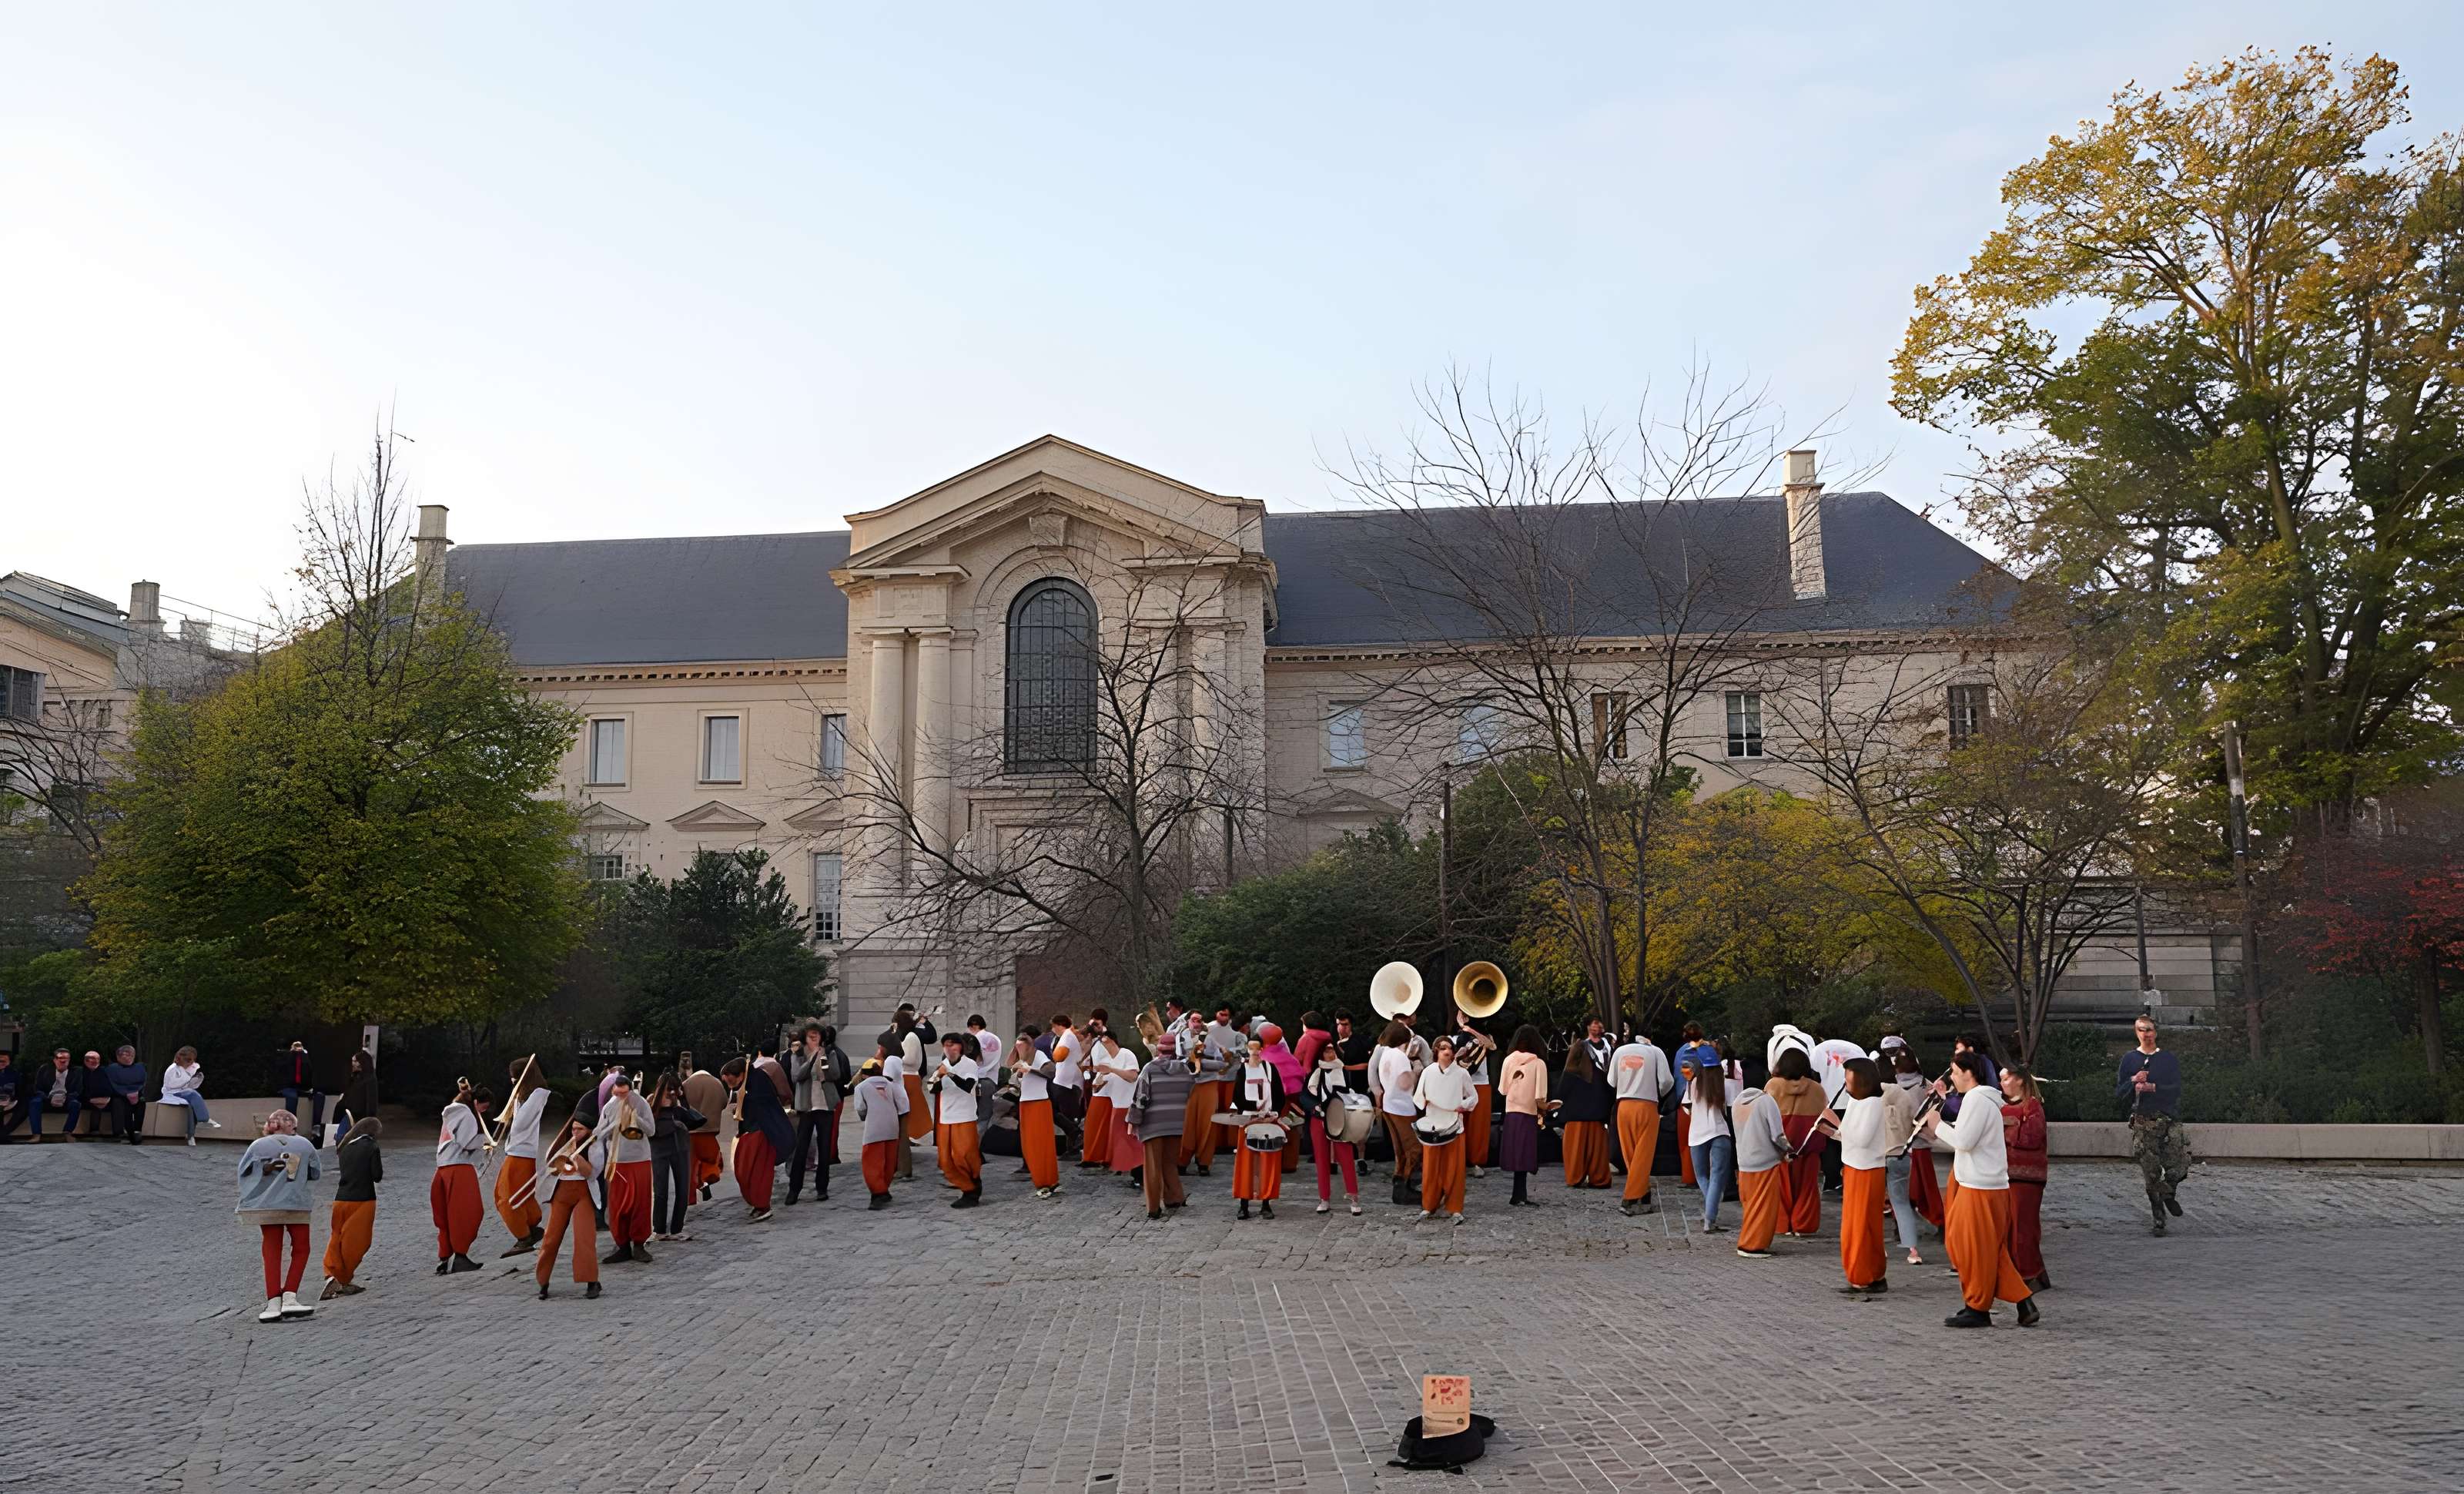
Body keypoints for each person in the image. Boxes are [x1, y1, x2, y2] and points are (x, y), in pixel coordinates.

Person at [1921, 1051, 2040, 1328]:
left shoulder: (1976, 1099)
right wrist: (1936, 1133)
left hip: (1981, 1187)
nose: (1952, 1077)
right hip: (1986, 1185)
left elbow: (1964, 1141)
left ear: (1968, 1073)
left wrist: (1937, 1125)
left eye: (1954, 1071)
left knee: (1969, 1248)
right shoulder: (1983, 1100)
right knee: (1987, 1249)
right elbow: (1968, 1140)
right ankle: (2021, 1300)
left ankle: (1977, 1307)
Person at [236, 1110, 322, 1323]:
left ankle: (273, 1302)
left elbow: (243, 1171)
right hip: (296, 1203)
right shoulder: (305, 1144)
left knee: (272, 1249)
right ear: (292, 1126)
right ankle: (290, 1296)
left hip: (266, 1204)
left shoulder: (257, 1146)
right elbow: (316, 1173)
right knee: (301, 1248)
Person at [2118, 1013, 2189, 1234]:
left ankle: (2168, 1193)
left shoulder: (2167, 1059)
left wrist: (2154, 1088)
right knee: (2151, 1173)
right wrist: (2133, 1082)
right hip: (2143, 1122)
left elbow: (2177, 1089)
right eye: (2141, 1030)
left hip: (2168, 1120)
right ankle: (2159, 1217)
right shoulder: (2129, 1059)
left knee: (2180, 1165)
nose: (2145, 1034)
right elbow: (2119, 1093)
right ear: (2136, 1033)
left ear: (2155, 1032)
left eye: (2149, 1029)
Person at [1833, 1057, 1890, 1295]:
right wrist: (1832, 1130)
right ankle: (1869, 1273)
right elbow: (1848, 1135)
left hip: (1867, 1169)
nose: (1846, 1083)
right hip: (1854, 1166)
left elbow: (1862, 1139)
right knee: (1856, 1225)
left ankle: (1864, 1275)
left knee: (1862, 1226)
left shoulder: (1873, 1104)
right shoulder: (1856, 1101)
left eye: (1850, 1078)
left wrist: (1836, 1123)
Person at [533, 1117, 604, 1300]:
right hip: (561, 1193)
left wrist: (577, 1158)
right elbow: (551, 1167)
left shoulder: (594, 1146)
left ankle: (591, 1281)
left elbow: (592, 1174)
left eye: (580, 1129)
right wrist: (563, 1157)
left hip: (583, 1193)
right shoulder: (563, 1143)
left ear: (588, 1131)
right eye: (573, 1129)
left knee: (584, 1237)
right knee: (551, 1237)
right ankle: (543, 1282)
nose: (575, 1132)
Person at [1127, 1032, 1194, 1220]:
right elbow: (1190, 1093)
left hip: (1153, 1125)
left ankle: (1154, 1208)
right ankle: (1175, 1198)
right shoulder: (1185, 1070)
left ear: (1159, 1049)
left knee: (1152, 1166)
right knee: (1170, 1162)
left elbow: (1141, 1098)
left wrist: (1133, 1121)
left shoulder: (1150, 1068)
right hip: (1177, 1123)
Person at [1413, 1035, 1478, 1224]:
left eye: (1449, 1048)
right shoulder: (1428, 1072)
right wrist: (1424, 1101)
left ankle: (1455, 1208)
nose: (1447, 1051)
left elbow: (1473, 1097)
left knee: (1454, 1169)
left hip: (1454, 1126)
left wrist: (1462, 1106)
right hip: (1432, 1126)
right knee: (1430, 1169)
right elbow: (1418, 1096)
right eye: (1442, 1048)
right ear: (1436, 1051)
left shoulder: (1462, 1073)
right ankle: (1428, 1206)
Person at [1764, 1047, 1828, 1236]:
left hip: (1780, 1146)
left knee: (1780, 1187)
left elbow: (1764, 1115)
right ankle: (1803, 1225)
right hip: (1808, 1146)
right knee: (1807, 1187)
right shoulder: (1817, 1089)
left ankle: (1781, 1224)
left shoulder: (1772, 1086)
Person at [320, 1116, 383, 1299]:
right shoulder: (372, 1147)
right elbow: (377, 1175)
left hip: (340, 1199)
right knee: (357, 1242)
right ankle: (340, 1279)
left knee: (336, 1238)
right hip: (362, 1199)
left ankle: (331, 1274)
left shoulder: (345, 1147)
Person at [432, 1080, 491, 1275]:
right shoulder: (466, 1114)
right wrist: (484, 1141)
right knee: (468, 1212)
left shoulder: (454, 1111)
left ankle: (445, 1258)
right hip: (459, 1167)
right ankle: (460, 1256)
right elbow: (467, 1142)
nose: (483, 1111)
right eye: (484, 1107)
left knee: (445, 1215)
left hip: (443, 1167)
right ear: (477, 1102)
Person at [1608, 1030, 1670, 1214]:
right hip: (1647, 1104)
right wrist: (1659, 1093)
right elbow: (1666, 1081)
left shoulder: (1620, 1051)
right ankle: (1631, 1197)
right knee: (1643, 1153)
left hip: (1624, 1105)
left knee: (1630, 1153)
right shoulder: (1656, 1051)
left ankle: (1644, 1192)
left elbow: (1611, 1081)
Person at [1227, 1033, 1287, 1220]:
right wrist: (1254, 1108)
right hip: (1248, 1121)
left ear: (1262, 1049)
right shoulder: (1243, 1070)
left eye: (1256, 1048)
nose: (1254, 1051)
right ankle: (1244, 1204)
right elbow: (1237, 1097)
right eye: (1250, 1048)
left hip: (1268, 1120)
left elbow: (1279, 1094)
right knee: (1246, 1164)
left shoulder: (1270, 1068)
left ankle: (1266, 1203)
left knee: (1268, 1163)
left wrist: (1272, 1113)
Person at [493, 1060, 551, 1256]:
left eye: (514, 1077)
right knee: (510, 1195)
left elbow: (520, 1125)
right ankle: (531, 1226)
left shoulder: (536, 1095)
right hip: (517, 1152)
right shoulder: (528, 1095)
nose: (512, 1081)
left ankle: (524, 1236)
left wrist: (516, 1100)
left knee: (507, 1199)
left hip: (521, 1153)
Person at [728, 1052, 794, 1221]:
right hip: (749, 1133)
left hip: (763, 1133)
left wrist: (745, 1102)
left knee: (759, 1173)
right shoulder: (749, 1084)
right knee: (743, 1171)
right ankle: (757, 1204)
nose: (731, 1085)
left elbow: (764, 1106)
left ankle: (763, 1206)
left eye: (732, 1080)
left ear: (741, 1074)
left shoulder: (759, 1082)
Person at [2000, 1067, 2051, 1289]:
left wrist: (2006, 1128)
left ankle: (2029, 1273)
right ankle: (2033, 1272)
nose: (2002, 1083)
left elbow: (2032, 1137)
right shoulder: (2001, 1106)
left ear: (2020, 1081)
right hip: (2006, 1176)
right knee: (2013, 1227)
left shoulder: (2033, 1106)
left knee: (2024, 1227)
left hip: (2027, 1178)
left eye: (2006, 1079)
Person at [599, 1072, 657, 1265]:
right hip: (617, 1161)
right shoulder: (609, 1106)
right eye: (617, 1093)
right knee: (617, 1205)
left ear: (630, 1091)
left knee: (640, 1204)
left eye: (624, 1094)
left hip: (639, 1160)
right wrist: (614, 1125)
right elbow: (599, 1133)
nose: (620, 1097)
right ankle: (622, 1246)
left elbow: (651, 1130)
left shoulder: (641, 1103)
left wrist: (635, 1117)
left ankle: (639, 1245)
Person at [1301, 1037, 1362, 1215]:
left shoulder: (1343, 1071)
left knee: (1347, 1158)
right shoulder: (1316, 1073)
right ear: (1321, 1054)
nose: (1331, 1053)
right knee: (1321, 1160)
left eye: (1332, 1050)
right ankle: (1324, 1199)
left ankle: (1354, 1198)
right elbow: (1305, 1096)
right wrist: (1315, 1107)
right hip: (1319, 1119)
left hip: (1339, 1119)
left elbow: (1351, 1093)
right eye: (1327, 1050)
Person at [1729, 1080, 1789, 1258]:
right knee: (1764, 1208)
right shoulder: (1766, 1101)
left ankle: (1749, 1242)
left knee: (1750, 1206)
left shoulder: (1738, 1102)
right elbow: (1777, 1135)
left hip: (1744, 1161)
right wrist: (1788, 1151)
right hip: (1765, 1162)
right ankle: (1752, 1245)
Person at [1498, 1026, 1557, 1207]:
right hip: (1528, 1112)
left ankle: (1518, 1195)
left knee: (1515, 1153)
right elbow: (1540, 1096)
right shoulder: (1538, 1063)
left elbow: (1502, 1090)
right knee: (1525, 1153)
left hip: (1511, 1112)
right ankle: (1519, 1194)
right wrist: (1547, 1107)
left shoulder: (1508, 1060)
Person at [785, 1023, 844, 1207]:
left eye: (817, 1035)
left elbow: (836, 1074)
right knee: (801, 1148)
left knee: (824, 1148)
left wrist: (824, 1064)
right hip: (806, 1107)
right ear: (805, 1037)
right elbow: (797, 1076)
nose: (814, 1038)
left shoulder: (829, 1052)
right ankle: (794, 1189)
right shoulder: (799, 1054)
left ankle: (822, 1188)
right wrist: (811, 1060)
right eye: (811, 1035)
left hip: (825, 1105)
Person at [1682, 1051, 1740, 1233]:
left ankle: (1711, 1209)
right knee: (1716, 1177)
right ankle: (1710, 1219)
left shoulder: (1692, 1084)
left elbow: (1686, 1107)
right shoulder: (1724, 1083)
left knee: (1702, 1176)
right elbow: (1733, 1106)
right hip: (1720, 1131)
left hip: (1697, 1134)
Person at [646, 1070, 705, 1241]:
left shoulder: (677, 1104)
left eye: (675, 1088)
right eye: (669, 1088)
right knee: (661, 1189)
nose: (671, 1092)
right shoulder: (651, 1103)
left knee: (682, 1187)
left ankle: (676, 1229)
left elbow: (695, 1120)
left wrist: (682, 1100)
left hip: (679, 1146)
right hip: (661, 1147)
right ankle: (659, 1229)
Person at [1893, 1047, 1946, 1232]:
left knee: (1901, 1187)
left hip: (1900, 1144)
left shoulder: (1893, 1087)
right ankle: (1938, 1220)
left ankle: (1901, 1224)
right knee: (1928, 1188)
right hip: (1920, 1143)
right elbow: (1936, 1110)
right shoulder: (1926, 1085)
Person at [1880, 1057, 1926, 1267]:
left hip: (1876, 1158)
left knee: (1873, 1205)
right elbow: (1916, 1123)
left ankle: (1878, 1247)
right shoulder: (1906, 1096)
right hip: (1901, 1154)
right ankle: (1913, 1251)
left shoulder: (1871, 1096)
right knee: (1901, 1204)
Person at [931, 1032, 985, 1209]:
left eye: (953, 1045)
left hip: (964, 1116)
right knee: (946, 1160)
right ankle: (967, 1187)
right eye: (946, 1045)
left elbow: (968, 1086)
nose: (949, 1049)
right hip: (946, 1117)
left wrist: (950, 1074)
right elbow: (932, 1088)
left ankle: (972, 1189)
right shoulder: (943, 1065)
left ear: (961, 1047)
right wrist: (939, 1077)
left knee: (964, 1156)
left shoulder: (969, 1064)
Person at [1180, 1004, 1234, 1174]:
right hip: (1187, 1086)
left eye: (1200, 1021)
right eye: (1194, 1020)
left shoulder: (1210, 1039)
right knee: (1186, 1125)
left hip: (1209, 1085)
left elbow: (1223, 1063)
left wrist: (1201, 1063)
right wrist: (1191, 1063)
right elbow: (1178, 1060)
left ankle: (1204, 1162)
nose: (1197, 1024)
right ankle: (1182, 1161)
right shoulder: (1180, 1038)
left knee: (1207, 1124)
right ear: (1188, 1022)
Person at [851, 1057, 909, 1209]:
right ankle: (885, 1188)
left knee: (872, 1162)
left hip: (874, 1128)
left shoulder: (861, 1087)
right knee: (889, 1161)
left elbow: (861, 1108)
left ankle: (878, 1193)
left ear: (864, 1074)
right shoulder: (890, 1085)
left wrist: (865, 1117)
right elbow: (901, 1104)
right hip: (892, 1127)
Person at [1010, 1032, 1063, 1199]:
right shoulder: (1020, 1060)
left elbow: (1051, 1071)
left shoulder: (1038, 1055)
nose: (1020, 1048)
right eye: (1017, 1045)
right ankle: (1044, 1180)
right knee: (1029, 1145)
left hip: (1039, 1103)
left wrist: (1030, 1070)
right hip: (1025, 1103)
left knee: (1041, 1144)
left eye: (1022, 1045)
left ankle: (1046, 1182)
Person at [1373, 1021, 1423, 1192]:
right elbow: (1405, 1083)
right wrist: (1416, 1071)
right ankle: (1406, 1184)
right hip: (1402, 1106)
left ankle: (1399, 1177)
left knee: (1399, 1147)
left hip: (1389, 1104)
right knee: (1414, 1148)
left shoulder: (1385, 1052)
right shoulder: (1400, 1056)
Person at [1558, 1035, 1612, 1189]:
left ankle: (1575, 1178)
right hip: (1596, 1120)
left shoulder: (1569, 1072)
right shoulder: (1600, 1073)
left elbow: (1561, 1093)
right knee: (1598, 1156)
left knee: (1575, 1155)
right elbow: (1609, 1094)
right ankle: (1599, 1179)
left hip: (1574, 1121)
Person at [1080, 1020, 1130, 1170]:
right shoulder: (1107, 1047)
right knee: (1105, 1124)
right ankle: (1104, 1155)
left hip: (1104, 1088)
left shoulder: (1099, 1046)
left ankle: (1096, 1156)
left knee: (1097, 1124)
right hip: (1110, 1088)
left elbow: (1100, 1067)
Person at [1672, 1023, 1718, 1187]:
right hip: (1709, 1100)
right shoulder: (1710, 1051)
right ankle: (1708, 1176)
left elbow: (1679, 1078)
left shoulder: (1681, 1052)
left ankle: (1690, 1177)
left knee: (1686, 1141)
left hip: (1686, 1101)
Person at [679, 1057, 729, 1202]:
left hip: (690, 1132)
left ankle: (691, 1197)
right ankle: (706, 1180)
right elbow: (725, 1102)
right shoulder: (717, 1083)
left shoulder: (686, 1084)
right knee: (711, 1160)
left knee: (691, 1166)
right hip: (710, 1131)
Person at [1453, 1016, 1497, 1178]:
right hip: (1460, 1084)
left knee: (1479, 1126)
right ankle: (1459, 1160)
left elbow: (1490, 1045)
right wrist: (1464, 1030)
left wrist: (1469, 1029)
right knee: (1460, 1123)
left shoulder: (1486, 1036)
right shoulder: (1455, 1037)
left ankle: (1476, 1161)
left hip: (1481, 1084)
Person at [158, 1046, 220, 1144]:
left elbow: (189, 1086)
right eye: (188, 1061)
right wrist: (188, 1078)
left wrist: (196, 1080)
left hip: (182, 1092)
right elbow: (171, 1085)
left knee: (192, 1107)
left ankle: (191, 1135)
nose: (190, 1063)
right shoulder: (172, 1069)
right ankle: (204, 1119)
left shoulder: (186, 1069)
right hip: (172, 1093)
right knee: (193, 1094)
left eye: (192, 1061)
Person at [1046, 1013, 1083, 1155]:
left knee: (1065, 1114)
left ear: (1059, 1025)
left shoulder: (1067, 1036)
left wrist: (1055, 1053)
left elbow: (1059, 1056)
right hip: (1064, 1081)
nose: (1053, 1029)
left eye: (1054, 1026)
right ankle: (1073, 1142)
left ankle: (1074, 1141)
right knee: (1061, 1113)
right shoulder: (1067, 1036)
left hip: (1067, 1083)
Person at [28, 1049, 82, 1140]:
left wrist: (65, 1098)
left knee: (75, 1104)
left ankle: (67, 1132)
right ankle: (36, 1134)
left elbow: (78, 1090)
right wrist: (50, 1097)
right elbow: (37, 1089)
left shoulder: (77, 1071)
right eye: (60, 1058)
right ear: (55, 1060)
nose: (63, 1061)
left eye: (66, 1058)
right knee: (35, 1103)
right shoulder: (44, 1069)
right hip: (47, 1098)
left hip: (66, 1098)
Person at [99, 1045, 148, 1144]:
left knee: (142, 1102)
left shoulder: (140, 1067)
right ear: (118, 1056)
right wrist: (125, 1094)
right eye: (125, 1054)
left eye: (131, 1055)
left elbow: (143, 1083)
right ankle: (119, 1133)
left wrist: (137, 1093)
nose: (129, 1057)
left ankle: (137, 1130)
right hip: (118, 1095)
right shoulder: (112, 1069)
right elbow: (110, 1085)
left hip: (136, 1094)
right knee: (119, 1103)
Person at [276, 1041, 326, 1140]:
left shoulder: (306, 1059)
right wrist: (293, 1054)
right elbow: (284, 1072)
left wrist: (304, 1056)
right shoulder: (288, 1058)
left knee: (320, 1096)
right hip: (289, 1086)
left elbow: (310, 1072)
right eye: (295, 1047)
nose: (298, 1050)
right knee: (292, 1097)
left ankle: (316, 1127)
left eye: (299, 1047)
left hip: (303, 1087)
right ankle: (291, 1128)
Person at [331, 1050, 380, 1150]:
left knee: (345, 1140)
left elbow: (371, 1101)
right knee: (341, 1139)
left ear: (362, 1062)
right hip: (348, 1113)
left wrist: (369, 1121)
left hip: (358, 1116)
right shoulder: (355, 1077)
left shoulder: (370, 1079)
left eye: (355, 1061)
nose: (353, 1063)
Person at [72, 1050, 113, 1139]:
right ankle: (94, 1131)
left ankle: (118, 1132)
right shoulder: (79, 1072)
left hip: (103, 1098)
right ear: (85, 1060)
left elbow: (109, 1087)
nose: (93, 1061)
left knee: (117, 1103)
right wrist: (91, 1099)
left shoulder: (105, 1071)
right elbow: (78, 1088)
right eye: (89, 1059)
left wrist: (106, 1098)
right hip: (85, 1098)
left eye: (96, 1059)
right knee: (95, 1106)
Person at [0, 1052, 22, 1143]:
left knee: (25, 1105)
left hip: (10, 1102)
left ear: (9, 1062)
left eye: (4, 1061)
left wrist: (12, 1101)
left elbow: (21, 1090)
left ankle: (4, 1133)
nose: (1, 1063)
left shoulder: (14, 1073)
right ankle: (2, 1136)